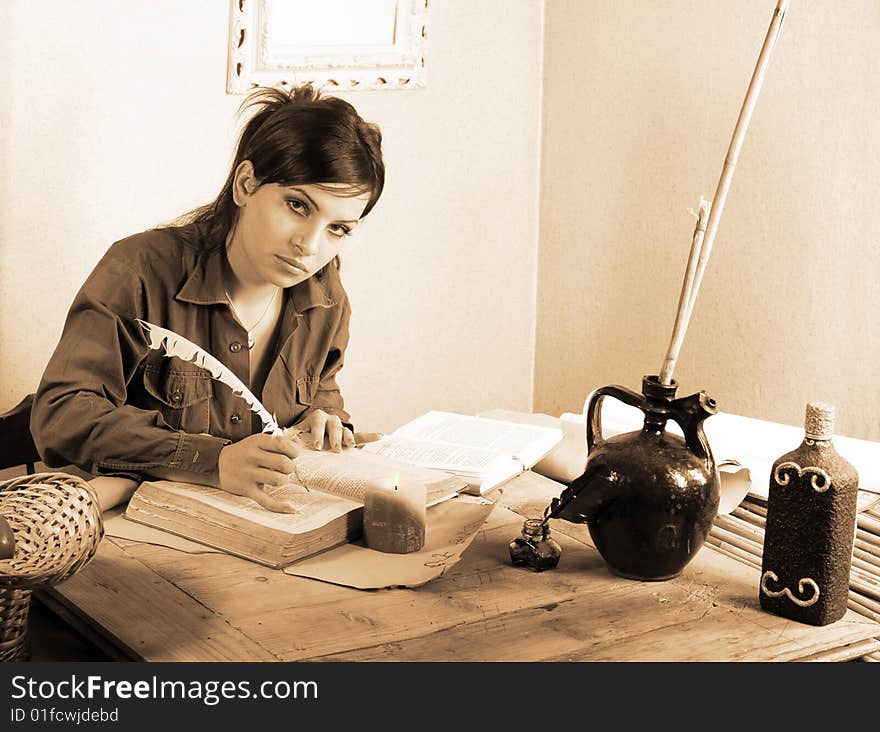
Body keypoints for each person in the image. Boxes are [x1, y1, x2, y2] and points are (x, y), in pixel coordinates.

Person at [30, 84, 385, 512]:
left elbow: (321, 386)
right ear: (246, 184)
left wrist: (323, 418)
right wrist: (211, 460)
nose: (310, 245)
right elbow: (62, 414)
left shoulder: (325, 298)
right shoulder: (139, 271)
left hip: (270, 528)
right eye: (297, 205)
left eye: (338, 229)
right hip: (136, 532)